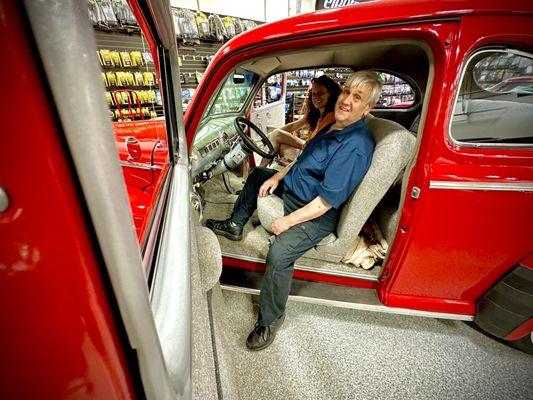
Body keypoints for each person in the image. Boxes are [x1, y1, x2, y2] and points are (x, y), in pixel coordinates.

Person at [206, 71, 382, 351]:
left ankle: (270, 320)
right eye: (347, 91)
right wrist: (277, 176)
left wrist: (287, 221)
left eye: (357, 97)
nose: (346, 99)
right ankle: (236, 225)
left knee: (279, 255)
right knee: (258, 176)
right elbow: (304, 160)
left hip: (314, 213)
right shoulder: (332, 125)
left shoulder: (355, 146)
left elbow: (324, 202)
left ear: (367, 108)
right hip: (295, 190)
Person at [259, 75, 341, 168]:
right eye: (314, 94)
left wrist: (293, 164)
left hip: (311, 156)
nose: (316, 97)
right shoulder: (316, 113)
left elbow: (318, 150)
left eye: (320, 93)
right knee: (276, 135)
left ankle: (260, 169)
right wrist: (269, 136)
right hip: (307, 146)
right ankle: (261, 168)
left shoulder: (331, 118)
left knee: (279, 145)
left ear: (330, 94)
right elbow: (294, 126)